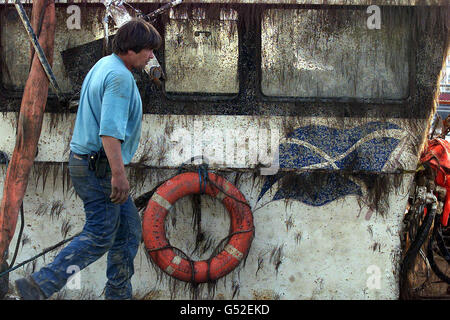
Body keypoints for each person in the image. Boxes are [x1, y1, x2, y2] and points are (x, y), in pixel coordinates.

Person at [14, 18, 162, 300]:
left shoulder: (105, 64)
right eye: (149, 51)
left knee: (128, 232)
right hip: (99, 168)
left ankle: (118, 295)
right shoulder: (120, 77)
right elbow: (109, 132)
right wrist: (118, 175)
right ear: (132, 48)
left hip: (86, 162)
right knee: (99, 235)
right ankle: (39, 285)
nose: (151, 56)